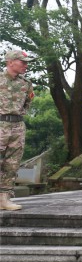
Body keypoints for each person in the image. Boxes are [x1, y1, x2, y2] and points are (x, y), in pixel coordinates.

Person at [1, 50, 36, 211]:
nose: (26, 65)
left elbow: (27, 103)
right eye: (22, 62)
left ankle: (4, 199)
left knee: (12, 164)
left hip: (17, 126)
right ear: (10, 62)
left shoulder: (26, 83)